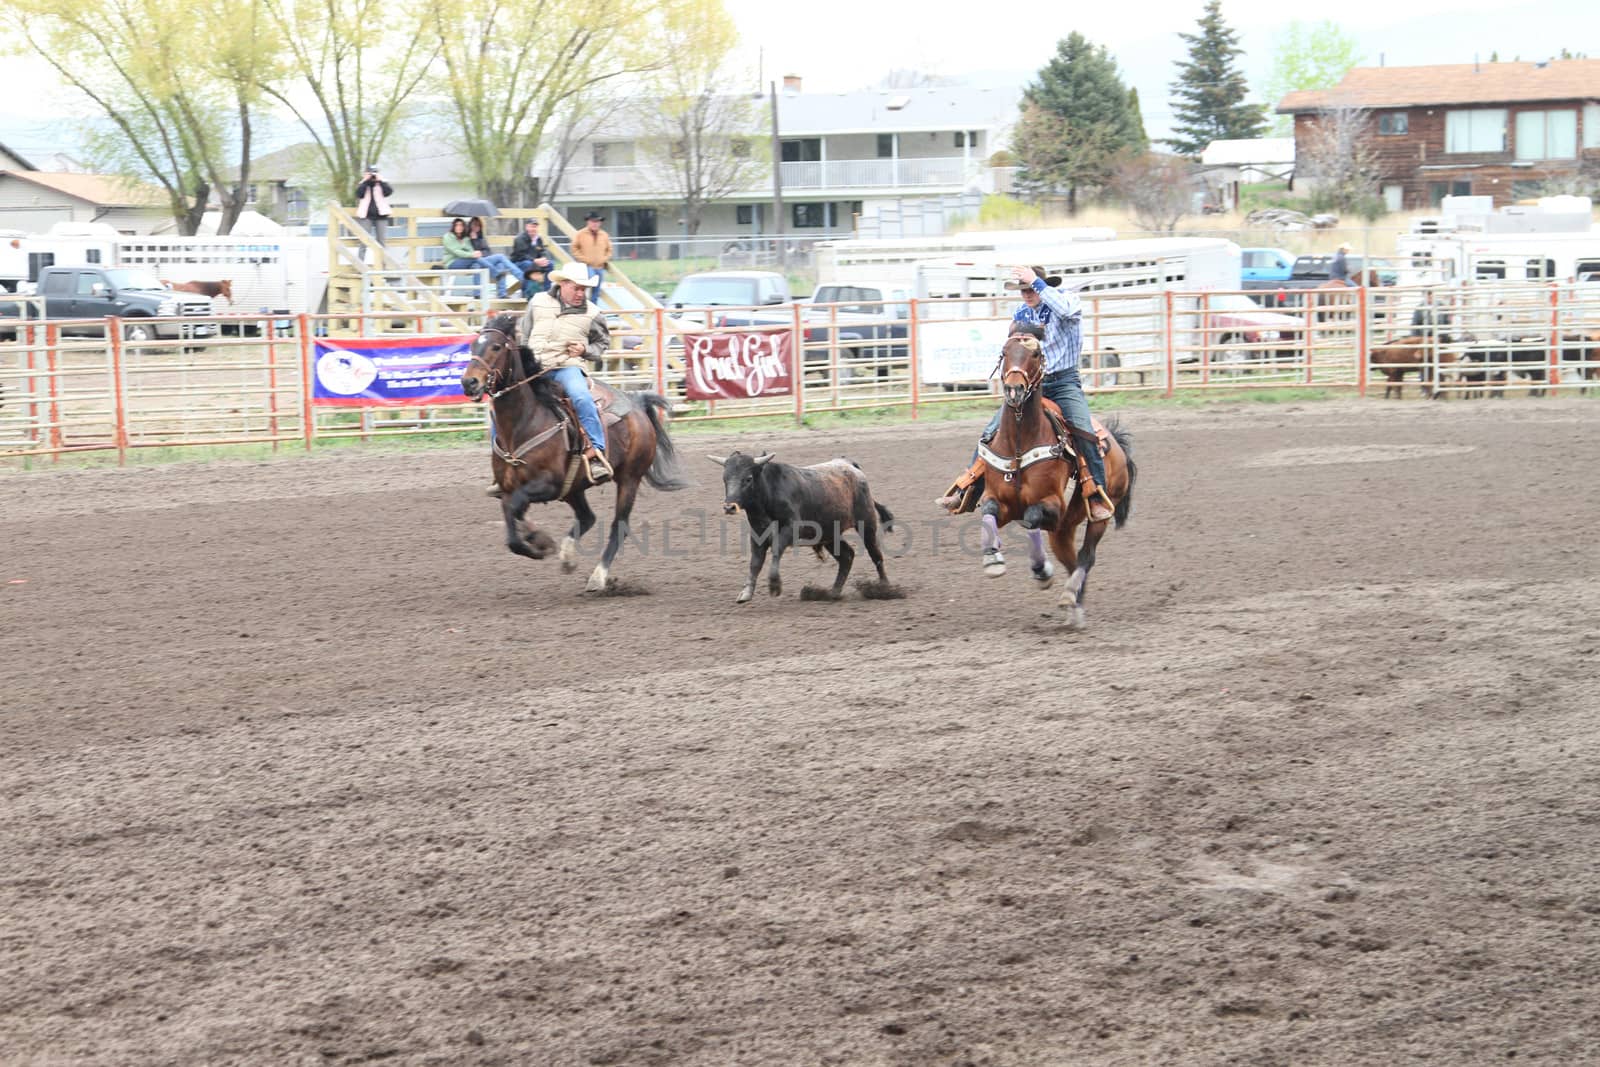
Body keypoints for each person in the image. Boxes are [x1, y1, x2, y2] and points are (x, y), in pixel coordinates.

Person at [936, 265, 1115, 523]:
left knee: (1084, 431)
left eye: (1031, 288)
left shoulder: (1068, 301)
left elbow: (1065, 310)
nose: (1027, 294)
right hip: (1032, 383)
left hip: (1064, 381)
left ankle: (1096, 492)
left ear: (1043, 286)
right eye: (1023, 289)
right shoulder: (1021, 313)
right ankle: (968, 487)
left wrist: (1038, 283)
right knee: (992, 431)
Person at [518, 262, 613, 484]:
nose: (581, 293)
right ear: (563, 284)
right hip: (535, 367)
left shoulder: (593, 313)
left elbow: (602, 344)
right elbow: (525, 335)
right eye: (576, 288)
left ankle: (596, 452)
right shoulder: (538, 302)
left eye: (584, 289)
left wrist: (585, 350)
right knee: (503, 400)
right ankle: (501, 456)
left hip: (567, 367)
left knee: (580, 396)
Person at [466, 217, 525, 299]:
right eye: (474, 225)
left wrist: (480, 251)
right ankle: (521, 277)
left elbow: (487, 251)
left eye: (478, 225)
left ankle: (502, 294)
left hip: (485, 261)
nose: (476, 227)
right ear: (470, 226)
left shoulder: (481, 238)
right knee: (500, 257)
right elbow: (468, 252)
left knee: (500, 264)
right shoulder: (466, 238)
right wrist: (474, 240)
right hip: (474, 262)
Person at [571, 211, 613, 304]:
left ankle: (593, 309)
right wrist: (583, 259)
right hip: (586, 266)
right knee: (588, 284)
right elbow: (574, 248)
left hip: (599, 266)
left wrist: (604, 259)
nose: (595, 224)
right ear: (588, 222)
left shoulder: (604, 235)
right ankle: (582, 306)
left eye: (597, 221)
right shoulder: (580, 234)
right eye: (593, 221)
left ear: (600, 223)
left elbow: (609, 250)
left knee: (596, 290)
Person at [353, 165, 393, 254]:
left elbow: (388, 192)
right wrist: (366, 181)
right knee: (364, 241)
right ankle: (361, 266)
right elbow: (359, 194)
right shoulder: (363, 184)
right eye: (370, 173)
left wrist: (380, 181)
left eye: (374, 173)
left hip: (381, 216)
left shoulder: (383, 183)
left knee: (381, 242)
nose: (372, 175)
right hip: (366, 216)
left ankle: (383, 266)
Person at [510, 219, 553, 294]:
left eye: (535, 227)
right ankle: (526, 292)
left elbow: (543, 251)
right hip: (519, 262)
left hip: (535, 262)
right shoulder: (519, 239)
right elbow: (521, 255)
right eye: (532, 226)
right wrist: (535, 260)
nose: (534, 229)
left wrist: (543, 259)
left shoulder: (538, 239)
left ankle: (547, 290)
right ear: (527, 227)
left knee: (550, 264)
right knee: (528, 265)